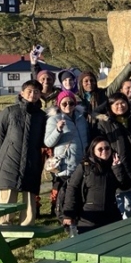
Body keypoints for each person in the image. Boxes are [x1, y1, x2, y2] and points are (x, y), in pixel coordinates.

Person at [0, 80, 47, 225]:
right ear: (22, 93)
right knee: (8, 197)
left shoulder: (41, 116)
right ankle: (4, 226)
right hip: (9, 160)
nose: (33, 94)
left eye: (36, 92)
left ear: (40, 95)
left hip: (31, 160)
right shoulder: (10, 112)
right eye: (29, 91)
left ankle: (27, 227)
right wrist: (3, 156)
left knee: (30, 197)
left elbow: (43, 139)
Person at [62, 136, 131, 233]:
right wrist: (68, 214)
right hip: (89, 216)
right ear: (93, 151)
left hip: (111, 214)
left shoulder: (114, 165)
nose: (104, 151)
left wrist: (117, 168)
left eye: (107, 148)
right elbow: (72, 188)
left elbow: (125, 186)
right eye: (100, 149)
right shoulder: (84, 167)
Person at [92, 92, 131, 219]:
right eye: (116, 104)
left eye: (123, 103)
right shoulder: (104, 123)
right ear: (110, 106)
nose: (120, 106)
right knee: (120, 202)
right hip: (115, 164)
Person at [44, 90, 90, 220]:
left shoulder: (81, 118)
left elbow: (86, 138)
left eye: (71, 103)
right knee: (67, 195)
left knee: (81, 193)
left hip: (82, 162)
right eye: (64, 103)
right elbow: (48, 142)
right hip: (66, 164)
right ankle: (65, 219)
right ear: (59, 104)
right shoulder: (54, 119)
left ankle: (80, 219)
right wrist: (58, 130)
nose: (68, 106)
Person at [78, 50, 131, 120]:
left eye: (92, 80)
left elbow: (117, 82)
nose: (89, 83)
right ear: (81, 83)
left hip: (102, 124)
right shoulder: (76, 98)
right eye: (86, 81)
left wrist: (130, 65)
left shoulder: (103, 93)